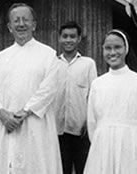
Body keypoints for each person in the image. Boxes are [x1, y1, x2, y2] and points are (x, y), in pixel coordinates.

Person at [0, 3, 63, 174]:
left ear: (34, 24)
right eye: (16, 20)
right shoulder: (0, 58)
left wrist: (24, 112)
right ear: (10, 27)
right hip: (3, 124)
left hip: (35, 125)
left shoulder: (48, 55)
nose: (21, 24)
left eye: (26, 19)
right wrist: (2, 115)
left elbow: (48, 89)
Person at [84, 29, 137, 174]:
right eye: (108, 48)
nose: (112, 52)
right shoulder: (97, 84)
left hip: (131, 146)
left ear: (126, 49)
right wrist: (101, 142)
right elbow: (92, 122)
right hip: (102, 147)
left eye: (117, 47)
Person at [57, 21, 97, 174]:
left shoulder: (88, 64)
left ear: (79, 38)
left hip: (81, 130)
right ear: (60, 38)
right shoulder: (53, 64)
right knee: (61, 169)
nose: (68, 40)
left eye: (72, 36)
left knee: (83, 169)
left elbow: (94, 96)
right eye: (65, 36)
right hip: (58, 130)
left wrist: (89, 122)